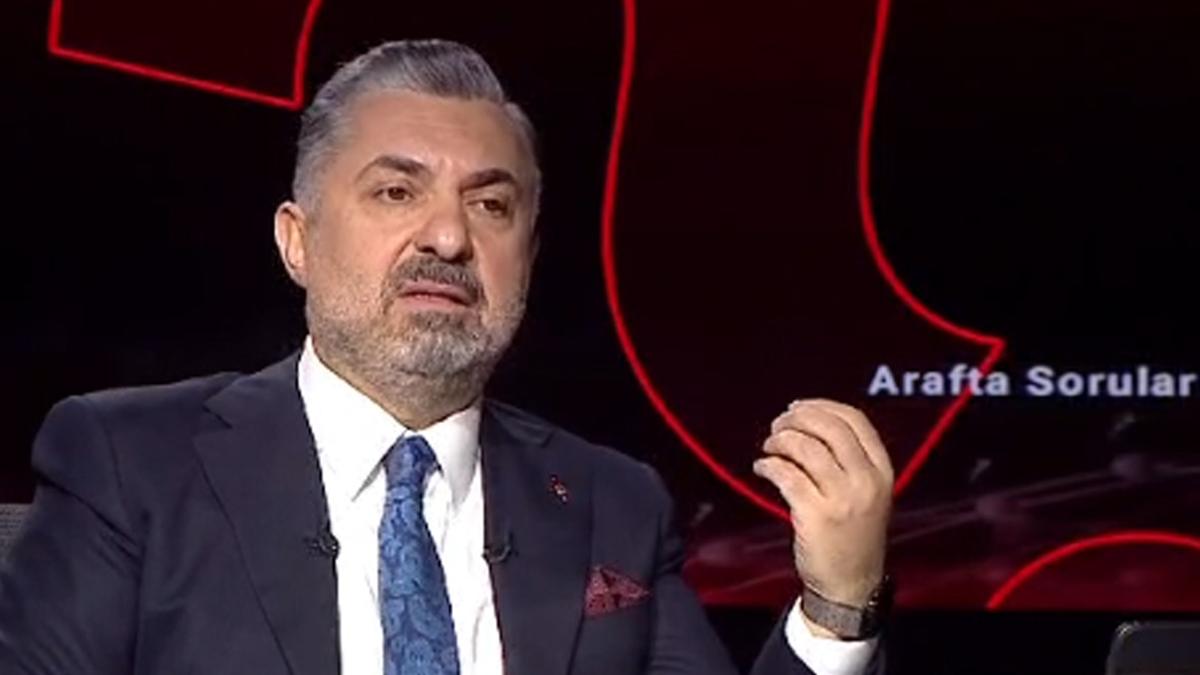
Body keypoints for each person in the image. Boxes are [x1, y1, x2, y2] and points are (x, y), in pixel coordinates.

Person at [0, 40, 894, 674]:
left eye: (491, 206)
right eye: (397, 191)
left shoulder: (613, 505)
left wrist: (837, 606)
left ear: (528, 259)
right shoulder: (128, 463)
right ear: (297, 240)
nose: (448, 237)